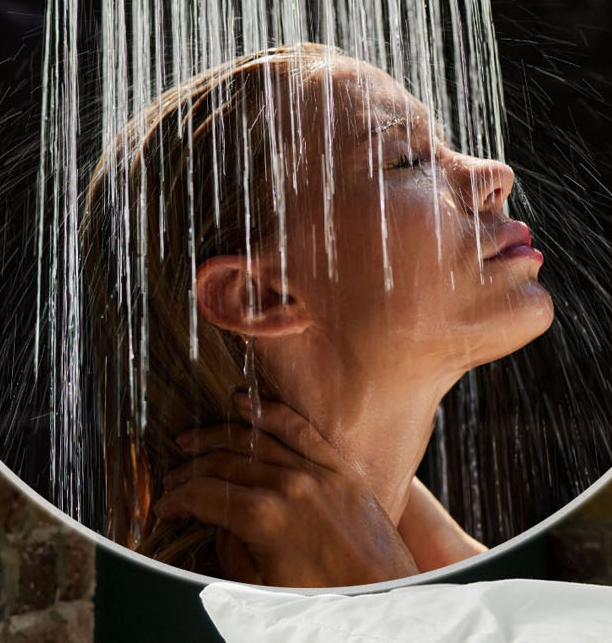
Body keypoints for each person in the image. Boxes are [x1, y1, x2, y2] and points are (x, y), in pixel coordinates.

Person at [79, 42, 554, 586]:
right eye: (406, 160)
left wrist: (407, 550)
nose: (495, 174)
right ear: (258, 297)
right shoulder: (234, 613)